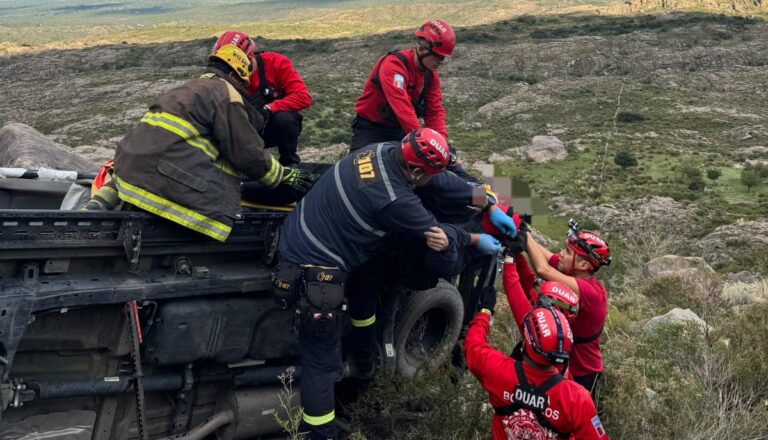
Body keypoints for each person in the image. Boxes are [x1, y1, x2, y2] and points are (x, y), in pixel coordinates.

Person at [274, 128, 509, 439]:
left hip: (301, 231)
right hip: (314, 264)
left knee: (365, 299)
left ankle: (365, 366)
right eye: (424, 174)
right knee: (321, 361)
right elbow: (439, 237)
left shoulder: (385, 150)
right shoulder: (394, 199)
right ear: (413, 170)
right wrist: (477, 239)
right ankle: (323, 433)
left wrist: (486, 201)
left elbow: (438, 180)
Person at [106, 44, 312, 241]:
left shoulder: (187, 87)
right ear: (233, 75)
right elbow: (248, 154)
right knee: (221, 199)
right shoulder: (226, 94)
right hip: (164, 182)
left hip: (130, 174)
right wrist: (284, 176)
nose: (244, 90)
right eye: (242, 83)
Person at [465, 304, 609, 440]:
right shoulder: (577, 399)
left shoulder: (498, 370)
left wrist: (485, 312)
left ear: (526, 341)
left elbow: (473, 344)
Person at [524, 221, 612, 400]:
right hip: (564, 365)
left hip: (583, 374)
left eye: (568, 252)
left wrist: (524, 238)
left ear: (584, 265)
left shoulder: (590, 292)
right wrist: (523, 232)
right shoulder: (573, 270)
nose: (561, 254)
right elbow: (547, 257)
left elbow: (543, 269)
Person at [350, 20, 454, 151]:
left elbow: (434, 110)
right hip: (371, 129)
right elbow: (402, 107)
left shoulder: (430, 76)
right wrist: (423, 143)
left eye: (443, 58)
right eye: (438, 56)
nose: (440, 62)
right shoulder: (394, 66)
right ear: (422, 49)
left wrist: (441, 144)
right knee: (358, 168)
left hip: (400, 130)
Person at [213, 31, 312, 166]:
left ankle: (289, 163)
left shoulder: (275, 63)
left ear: (249, 56)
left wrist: (270, 108)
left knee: (286, 119)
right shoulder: (223, 78)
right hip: (242, 132)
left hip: (271, 128)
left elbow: (303, 97)